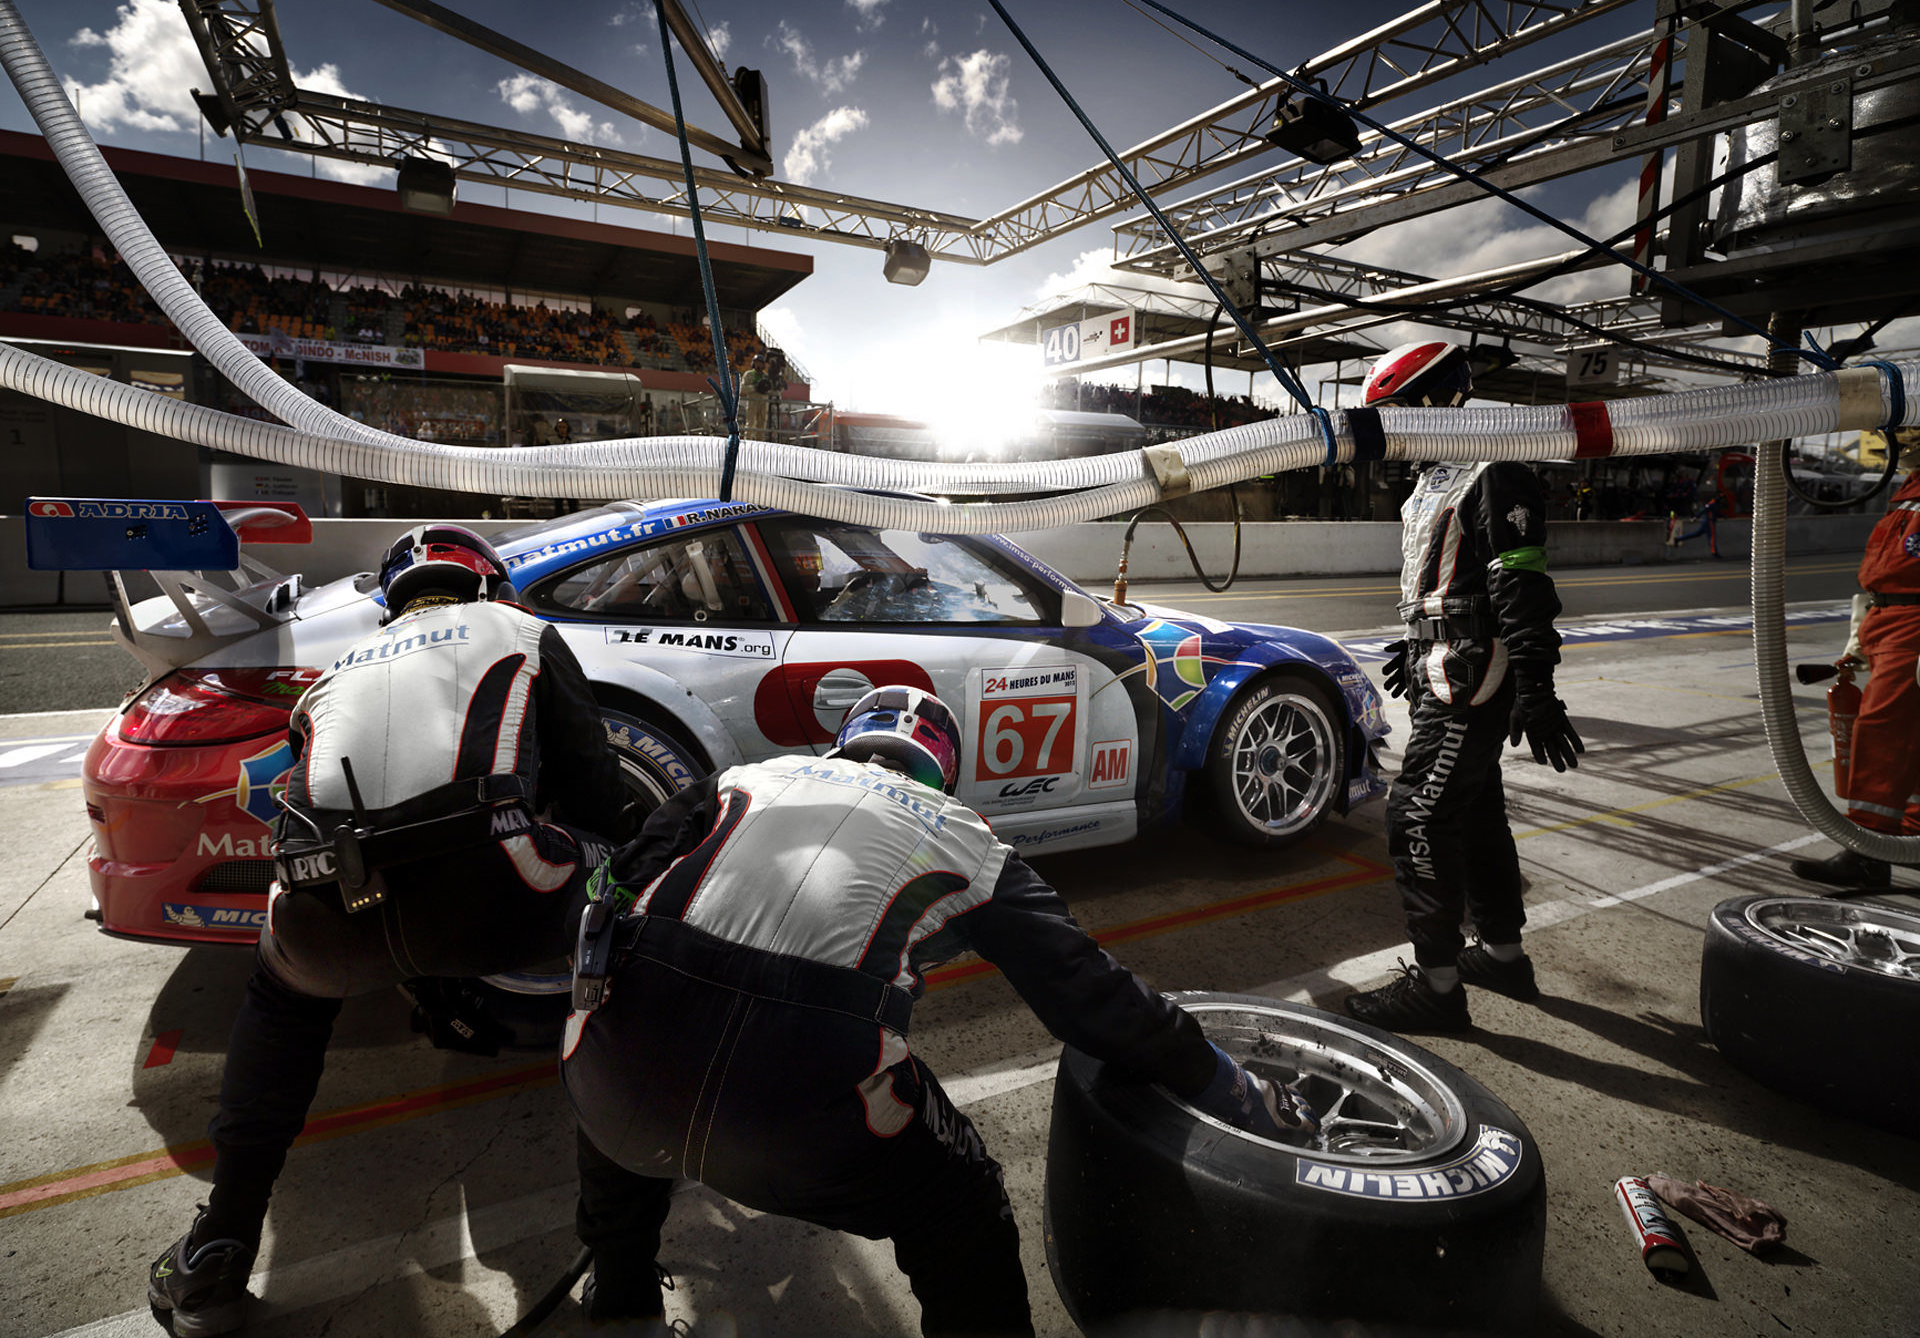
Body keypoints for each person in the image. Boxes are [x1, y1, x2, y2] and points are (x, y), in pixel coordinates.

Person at [561, 686, 1318, 1335]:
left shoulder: (748, 776)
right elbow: (1093, 997)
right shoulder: (965, 835)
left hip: (615, 1087)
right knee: (963, 1209)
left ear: (846, 743)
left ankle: (617, 1288)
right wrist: (1232, 1088)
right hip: (803, 1108)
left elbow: (613, 887)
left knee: (619, 1054)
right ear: (943, 774)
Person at [148, 524, 636, 1335]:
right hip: (497, 883)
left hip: (328, 906)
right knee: (632, 887)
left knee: (281, 1001)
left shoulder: (335, 671)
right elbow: (594, 787)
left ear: (392, 600)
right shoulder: (524, 631)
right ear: (488, 586)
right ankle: (624, 1275)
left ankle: (220, 1245)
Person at [1343, 342, 1583, 1033]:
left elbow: (1520, 579)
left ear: (1429, 403)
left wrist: (1536, 684)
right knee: (1472, 813)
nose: (1383, 430)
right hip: (1441, 663)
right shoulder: (1427, 481)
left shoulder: (1495, 464)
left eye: (1389, 413)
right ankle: (1503, 955)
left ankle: (1438, 989)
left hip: (1472, 675)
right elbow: (1449, 581)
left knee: (1415, 814)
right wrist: (1414, 640)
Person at [1792, 429, 1920, 890]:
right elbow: (1886, 571)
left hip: (1914, 622)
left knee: (1883, 731)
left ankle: (1868, 852)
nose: (1902, 444)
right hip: (1889, 617)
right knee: (1910, 735)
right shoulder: (1909, 488)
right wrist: (1859, 637)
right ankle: (1912, 836)